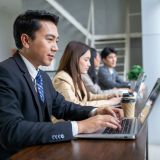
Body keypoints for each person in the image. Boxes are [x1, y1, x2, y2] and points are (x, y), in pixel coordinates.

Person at [0, 10, 123, 159]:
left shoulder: (42, 76)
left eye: (56, 41)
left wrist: (96, 112)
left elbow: (63, 106)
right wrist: (80, 126)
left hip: (42, 151)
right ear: (26, 40)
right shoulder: (5, 72)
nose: (56, 48)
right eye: (49, 39)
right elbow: (11, 130)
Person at [53, 41, 121, 107]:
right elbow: (74, 106)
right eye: (86, 60)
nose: (89, 64)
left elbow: (89, 97)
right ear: (75, 59)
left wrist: (109, 96)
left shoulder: (77, 76)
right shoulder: (62, 79)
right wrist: (110, 102)